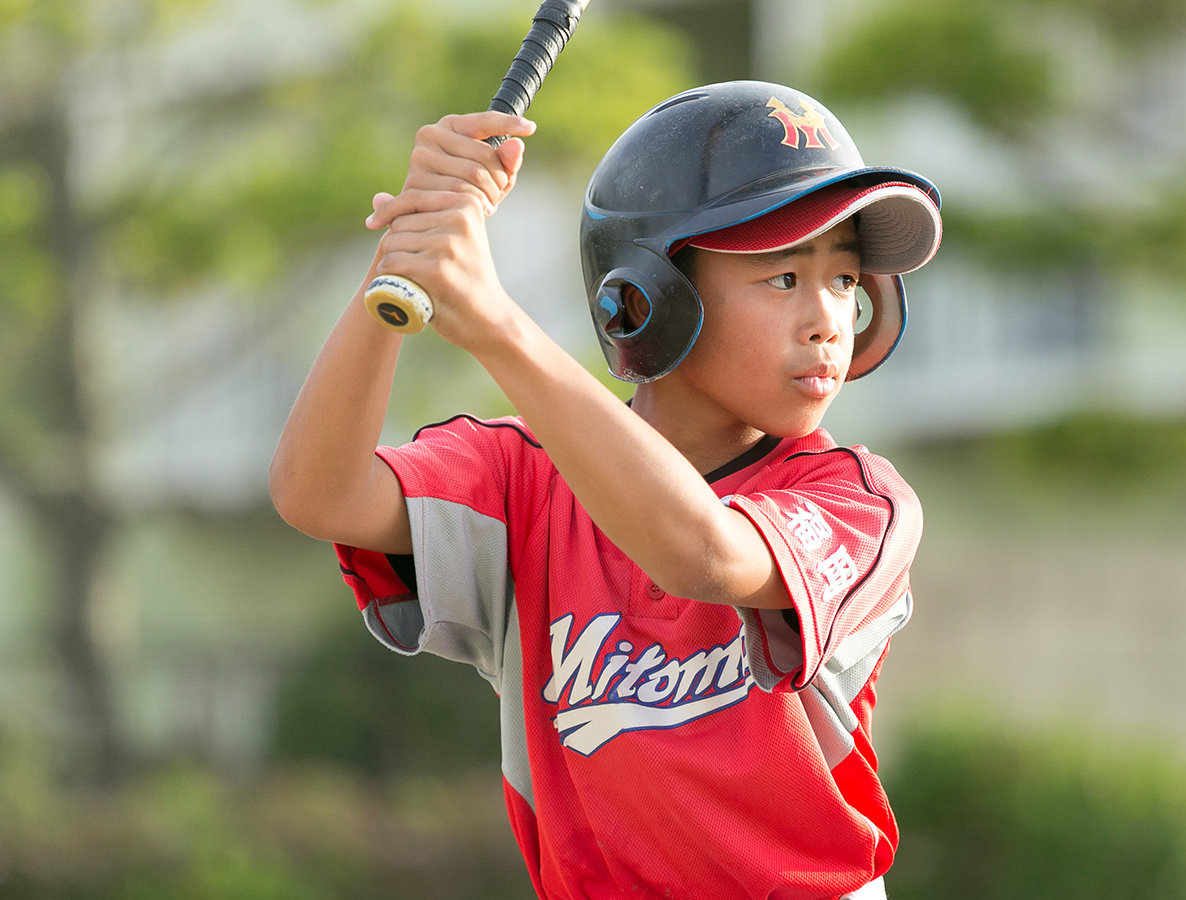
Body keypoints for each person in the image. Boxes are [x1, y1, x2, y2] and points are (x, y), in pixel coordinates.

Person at [269, 80, 943, 899]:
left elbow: (701, 552)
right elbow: (319, 492)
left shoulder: (858, 498)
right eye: (782, 278)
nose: (828, 320)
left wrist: (495, 322)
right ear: (647, 300)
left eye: (844, 280)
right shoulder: (523, 479)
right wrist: (407, 255)